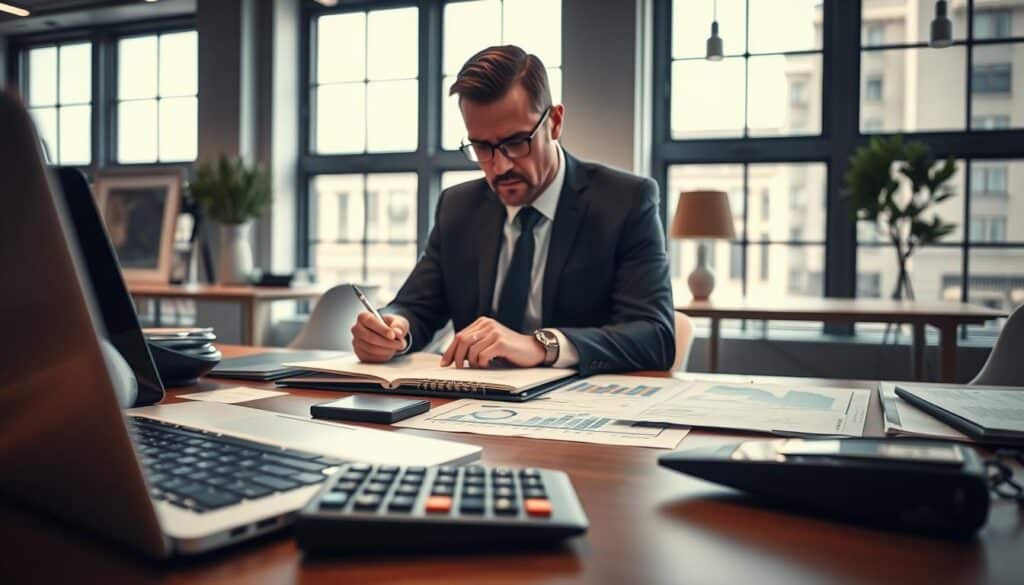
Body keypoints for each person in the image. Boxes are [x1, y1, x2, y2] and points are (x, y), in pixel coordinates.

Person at [350, 45, 675, 376]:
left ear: (555, 122)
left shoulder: (625, 201)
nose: (499, 166)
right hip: (469, 409)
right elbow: (417, 306)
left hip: (583, 409)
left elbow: (655, 335)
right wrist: (392, 330)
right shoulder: (458, 206)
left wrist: (540, 345)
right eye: (481, 147)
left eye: (517, 142)